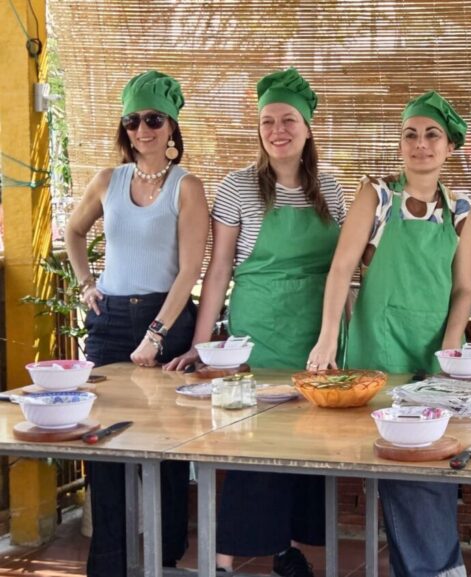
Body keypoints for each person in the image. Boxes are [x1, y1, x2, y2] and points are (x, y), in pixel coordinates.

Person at [165, 68, 346, 576]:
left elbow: (342, 270)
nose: (278, 129)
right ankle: (221, 562)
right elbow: (218, 269)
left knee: (308, 451)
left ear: (308, 128)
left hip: (316, 336)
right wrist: (202, 346)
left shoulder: (330, 189)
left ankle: (290, 551)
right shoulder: (238, 187)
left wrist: (343, 337)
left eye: (288, 119)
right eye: (268, 121)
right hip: (258, 333)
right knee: (253, 450)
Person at [307, 90, 471, 577]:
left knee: (433, 463)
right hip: (378, 352)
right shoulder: (376, 196)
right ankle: (441, 570)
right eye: (410, 134)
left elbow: (464, 289)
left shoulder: (461, 211)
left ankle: (434, 568)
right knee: (405, 467)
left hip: (435, 357)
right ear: (399, 145)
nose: (420, 144)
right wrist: (325, 339)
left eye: (432, 135)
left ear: (449, 148)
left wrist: (452, 339)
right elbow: (341, 270)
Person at [66, 70, 207, 577]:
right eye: (132, 120)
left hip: (164, 321)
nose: (142, 130)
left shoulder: (187, 187)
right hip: (108, 323)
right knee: (103, 444)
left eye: (152, 119)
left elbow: (190, 270)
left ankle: (165, 557)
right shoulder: (108, 180)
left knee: (167, 443)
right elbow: (73, 232)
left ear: (171, 127)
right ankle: (107, 565)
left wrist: (156, 334)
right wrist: (86, 283)